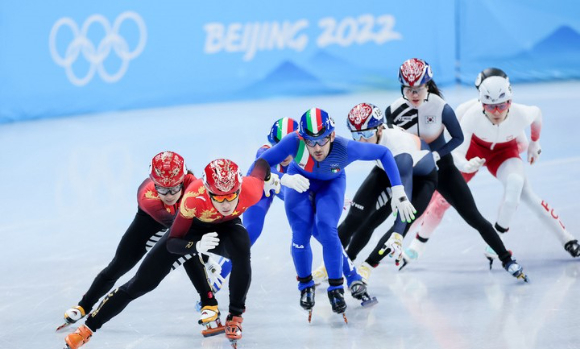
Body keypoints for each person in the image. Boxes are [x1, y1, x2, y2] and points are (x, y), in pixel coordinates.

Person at [64, 158, 279, 349]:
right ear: (207, 190)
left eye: (231, 197)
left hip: (227, 229)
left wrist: (270, 178)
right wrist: (196, 247)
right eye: (218, 198)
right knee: (140, 283)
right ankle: (87, 329)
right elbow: (173, 242)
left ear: (239, 189)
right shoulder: (193, 197)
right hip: (192, 231)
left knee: (242, 250)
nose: (226, 204)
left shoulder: (251, 189)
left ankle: (235, 316)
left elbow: (261, 164)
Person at [402, 67, 580, 265]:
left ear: (509, 100)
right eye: (489, 105)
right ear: (481, 100)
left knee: (518, 190)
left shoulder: (519, 113)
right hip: (474, 152)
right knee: (443, 200)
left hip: (503, 153)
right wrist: (464, 164)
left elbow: (532, 121)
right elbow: (456, 147)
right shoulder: (468, 112)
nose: (496, 111)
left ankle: (563, 239)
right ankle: (417, 243)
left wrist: (534, 143)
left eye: (502, 105)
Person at [254, 107, 416, 321]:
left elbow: (384, 153)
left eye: (322, 140)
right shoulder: (294, 141)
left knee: (328, 230)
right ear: (302, 139)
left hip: (331, 184)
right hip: (299, 182)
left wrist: (398, 189)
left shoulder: (346, 148)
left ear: (332, 135)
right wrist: (280, 179)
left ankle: (336, 288)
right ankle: (305, 285)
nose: (317, 147)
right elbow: (260, 164)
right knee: (300, 233)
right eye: (310, 142)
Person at [209, 118, 378, 313]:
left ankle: (353, 277)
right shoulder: (265, 154)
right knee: (249, 233)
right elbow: (254, 176)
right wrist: (284, 177)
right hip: (262, 192)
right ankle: (214, 283)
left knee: (324, 234)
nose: (283, 156)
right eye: (277, 146)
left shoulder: (306, 150)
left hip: (292, 194)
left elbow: (326, 174)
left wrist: (335, 194)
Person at [385, 58, 528, 281]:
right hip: (417, 172)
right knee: (401, 217)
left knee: (473, 217)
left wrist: (439, 155)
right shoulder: (393, 111)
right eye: (408, 89)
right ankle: (363, 268)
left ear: (428, 85)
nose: (414, 94)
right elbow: (391, 143)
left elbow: (458, 139)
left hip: (443, 169)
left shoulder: (441, 107)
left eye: (419, 88)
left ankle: (507, 259)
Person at [58, 151, 199, 331]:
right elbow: (179, 229)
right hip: (150, 223)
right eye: (162, 188)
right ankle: (84, 305)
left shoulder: (195, 186)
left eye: (173, 188)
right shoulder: (147, 196)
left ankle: (208, 301)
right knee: (119, 265)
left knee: (188, 251)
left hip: (178, 221)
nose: (169, 194)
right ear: (153, 184)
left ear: (184, 179)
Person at [316, 102, 438, 284]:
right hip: (385, 169)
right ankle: (331, 265)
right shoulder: (365, 140)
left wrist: (398, 232)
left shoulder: (399, 149)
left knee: (388, 227)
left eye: (367, 134)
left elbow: (405, 194)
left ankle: (367, 267)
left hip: (420, 179)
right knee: (355, 218)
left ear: (380, 129)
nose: (362, 140)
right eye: (357, 135)